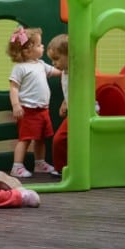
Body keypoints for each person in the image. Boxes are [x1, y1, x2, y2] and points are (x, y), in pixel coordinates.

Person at [7, 26, 62, 178]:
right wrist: (16, 105)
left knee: (41, 139)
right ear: (27, 51)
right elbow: (13, 88)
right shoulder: (20, 68)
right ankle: (16, 166)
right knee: (25, 139)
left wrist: (67, 68)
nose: (42, 46)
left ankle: (40, 163)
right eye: (39, 45)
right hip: (28, 109)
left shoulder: (41, 64)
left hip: (42, 109)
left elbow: (57, 72)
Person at [47, 33, 70, 175]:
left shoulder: (75, 71)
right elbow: (70, 91)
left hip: (83, 112)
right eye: (52, 60)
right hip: (73, 110)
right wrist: (64, 103)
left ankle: (61, 168)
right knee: (62, 139)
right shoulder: (64, 72)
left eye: (56, 59)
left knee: (59, 139)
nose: (54, 63)